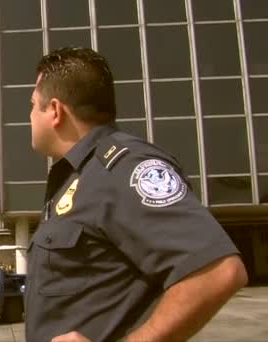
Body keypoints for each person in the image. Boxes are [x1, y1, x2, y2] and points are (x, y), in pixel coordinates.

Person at [24, 47, 248, 342]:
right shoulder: (78, 177)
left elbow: (218, 273)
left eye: (32, 105)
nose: (28, 116)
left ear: (54, 111)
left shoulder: (124, 167)